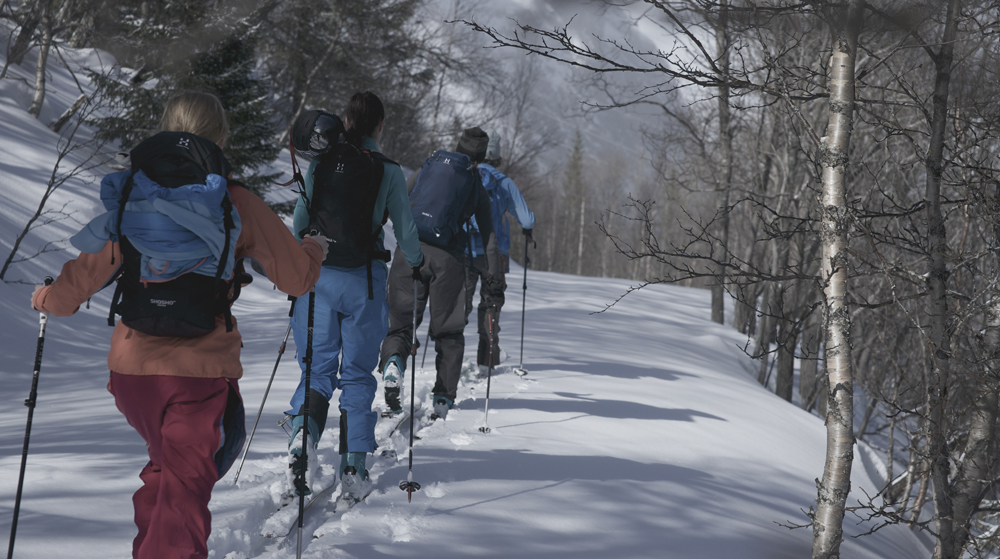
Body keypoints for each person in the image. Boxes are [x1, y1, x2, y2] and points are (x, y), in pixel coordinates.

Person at [30, 91, 327, 559]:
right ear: (220, 137)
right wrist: (313, 248)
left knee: (167, 474)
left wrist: (45, 297)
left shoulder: (135, 194)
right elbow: (297, 279)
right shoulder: (235, 201)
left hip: (132, 376)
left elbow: (78, 285)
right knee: (184, 493)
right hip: (198, 375)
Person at [286, 91, 423, 499]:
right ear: (380, 126)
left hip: (318, 280)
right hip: (364, 282)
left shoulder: (323, 160)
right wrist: (417, 263)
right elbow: (405, 230)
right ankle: (353, 466)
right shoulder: (388, 170)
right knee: (358, 376)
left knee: (316, 370)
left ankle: (303, 440)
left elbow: (300, 220)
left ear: (345, 121)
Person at [379, 127, 504, 420]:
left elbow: (396, 196)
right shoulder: (475, 183)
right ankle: (443, 398)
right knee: (449, 331)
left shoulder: (430, 165)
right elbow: (489, 238)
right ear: (480, 157)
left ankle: (393, 362)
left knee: (400, 326)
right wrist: (494, 276)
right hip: (448, 261)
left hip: (409, 252)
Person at [465, 129, 536, 374]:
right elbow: (527, 220)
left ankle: (450, 358)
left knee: (459, 304)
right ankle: (486, 360)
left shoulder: (465, 177)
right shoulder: (504, 183)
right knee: (491, 304)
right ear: (498, 158)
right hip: (496, 254)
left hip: (464, 250)